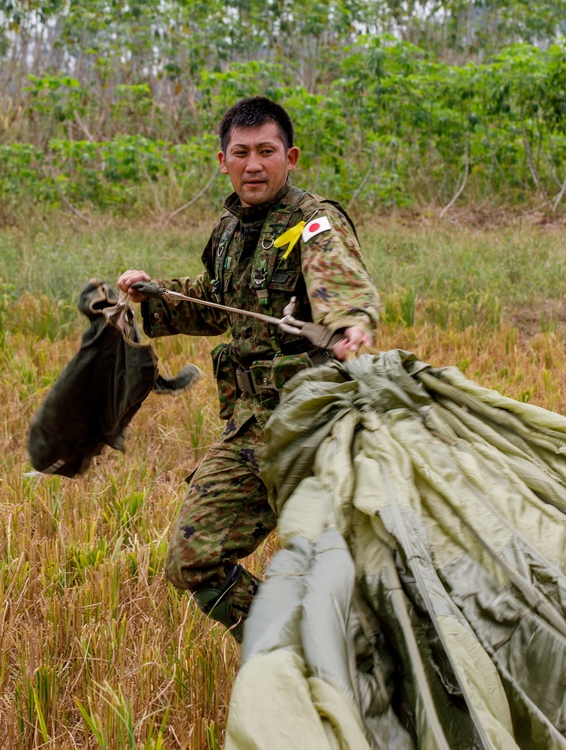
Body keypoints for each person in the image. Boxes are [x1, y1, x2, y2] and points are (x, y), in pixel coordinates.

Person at [117, 96, 379, 641]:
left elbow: (338, 280)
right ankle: (294, 647)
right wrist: (152, 295)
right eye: (241, 153)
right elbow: (217, 301)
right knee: (192, 561)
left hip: (314, 428)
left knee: (361, 575)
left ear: (291, 156)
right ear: (223, 161)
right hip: (249, 429)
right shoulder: (230, 229)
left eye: (266, 151)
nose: (253, 164)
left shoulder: (313, 222)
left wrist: (350, 322)